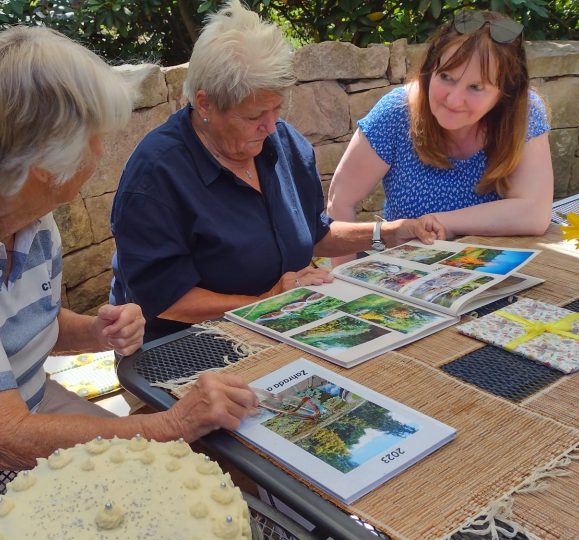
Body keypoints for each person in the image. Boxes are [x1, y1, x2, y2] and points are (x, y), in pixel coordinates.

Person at [0, 26, 258, 481]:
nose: (102, 150)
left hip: (27, 405)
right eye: (95, 136)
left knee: (190, 478)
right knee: (170, 492)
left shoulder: (22, 204)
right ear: (44, 163)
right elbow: (7, 440)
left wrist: (96, 333)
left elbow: (28, 324)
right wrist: (173, 425)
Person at [109, 0, 444, 342]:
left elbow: (315, 234)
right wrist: (265, 303)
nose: (271, 127)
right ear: (205, 104)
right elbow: (165, 300)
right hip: (189, 345)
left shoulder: (283, 142)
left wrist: (387, 233)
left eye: (277, 109)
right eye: (255, 116)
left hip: (281, 324)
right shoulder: (156, 176)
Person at [327, 10, 553, 242]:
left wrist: (441, 221)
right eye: (446, 77)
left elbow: (534, 212)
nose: (453, 100)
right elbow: (340, 201)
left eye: (475, 87)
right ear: (429, 71)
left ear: (505, 93)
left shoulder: (524, 113)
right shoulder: (396, 112)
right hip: (408, 271)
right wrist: (346, 275)